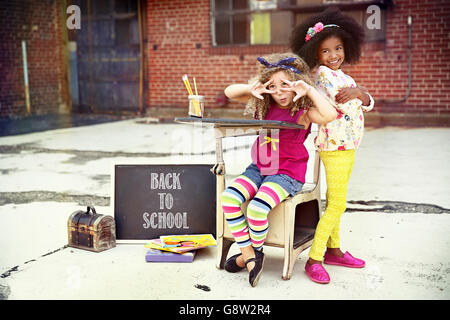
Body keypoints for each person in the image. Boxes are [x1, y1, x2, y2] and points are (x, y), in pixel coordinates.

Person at [221, 52, 337, 287]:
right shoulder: (263, 104)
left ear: (297, 83)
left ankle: (249, 256)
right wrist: (252, 87)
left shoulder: (302, 112)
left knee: (256, 209)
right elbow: (229, 92)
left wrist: (309, 90)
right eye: (272, 86)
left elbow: (330, 114)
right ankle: (250, 254)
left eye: (285, 84)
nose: (280, 91)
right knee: (229, 198)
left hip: (287, 174)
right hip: (259, 168)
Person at [290, 7, 375, 284]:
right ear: (315, 53)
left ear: (346, 47)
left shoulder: (345, 77)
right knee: (337, 204)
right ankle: (315, 258)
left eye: (338, 48)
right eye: (326, 51)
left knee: (335, 199)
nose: (334, 55)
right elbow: (331, 105)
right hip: (334, 145)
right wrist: (355, 96)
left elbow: (367, 103)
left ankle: (335, 250)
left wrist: (361, 93)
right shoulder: (323, 76)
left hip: (349, 145)